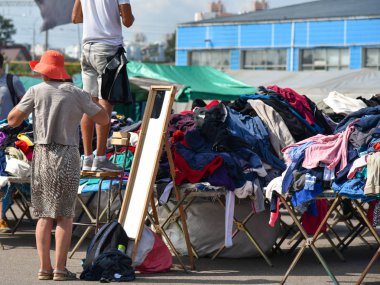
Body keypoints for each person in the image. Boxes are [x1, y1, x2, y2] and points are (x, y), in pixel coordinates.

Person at [7, 50, 109, 281]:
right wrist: (90, 103)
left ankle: (44, 268)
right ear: (61, 72)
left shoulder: (35, 91)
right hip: (67, 155)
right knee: (64, 216)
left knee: (44, 215)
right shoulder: (77, 93)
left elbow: (13, 119)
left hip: (42, 154)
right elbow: (103, 120)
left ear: (44, 72)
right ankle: (60, 271)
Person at [72, 0, 135, 172]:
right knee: (105, 101)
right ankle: (100, 158)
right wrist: (121, 13)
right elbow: (128, 22)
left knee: (88, 102)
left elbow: (76, 17)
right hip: (108, 48)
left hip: (87, 49)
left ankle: (87, 158)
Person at [0, 53, 26, 232]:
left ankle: (1, 217)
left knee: (5, 177)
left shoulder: (11, 81)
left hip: (7, 137)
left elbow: (26, 105)